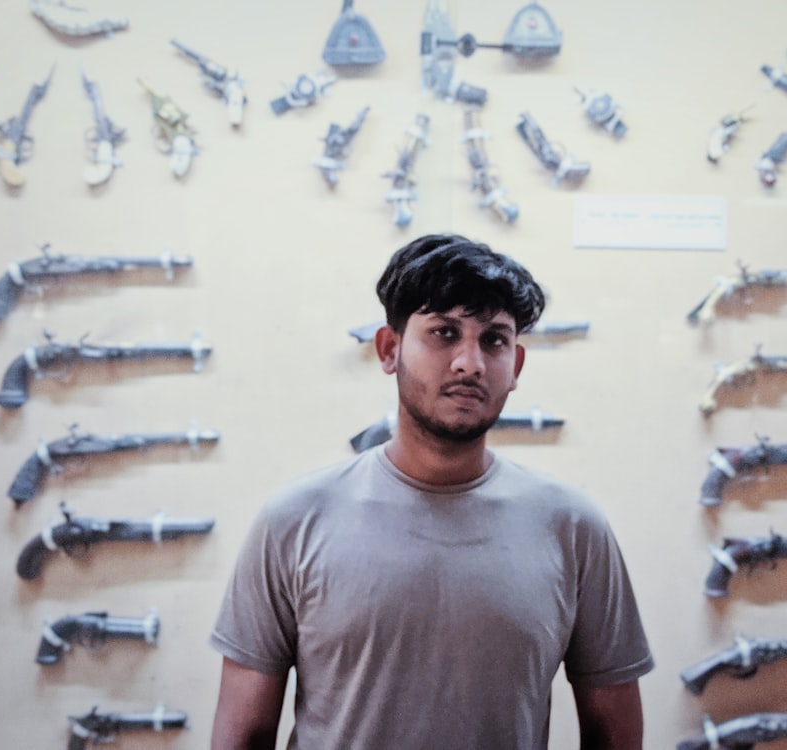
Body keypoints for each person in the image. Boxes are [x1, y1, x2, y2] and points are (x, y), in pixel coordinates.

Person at [209, 233, 654, 749]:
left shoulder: (573, 526)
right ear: (389, 349)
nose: (470, 363)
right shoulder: (293, 519)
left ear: (517, 367)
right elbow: (243, 733)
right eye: (444, 333)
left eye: (494, 340)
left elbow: (615, 731)